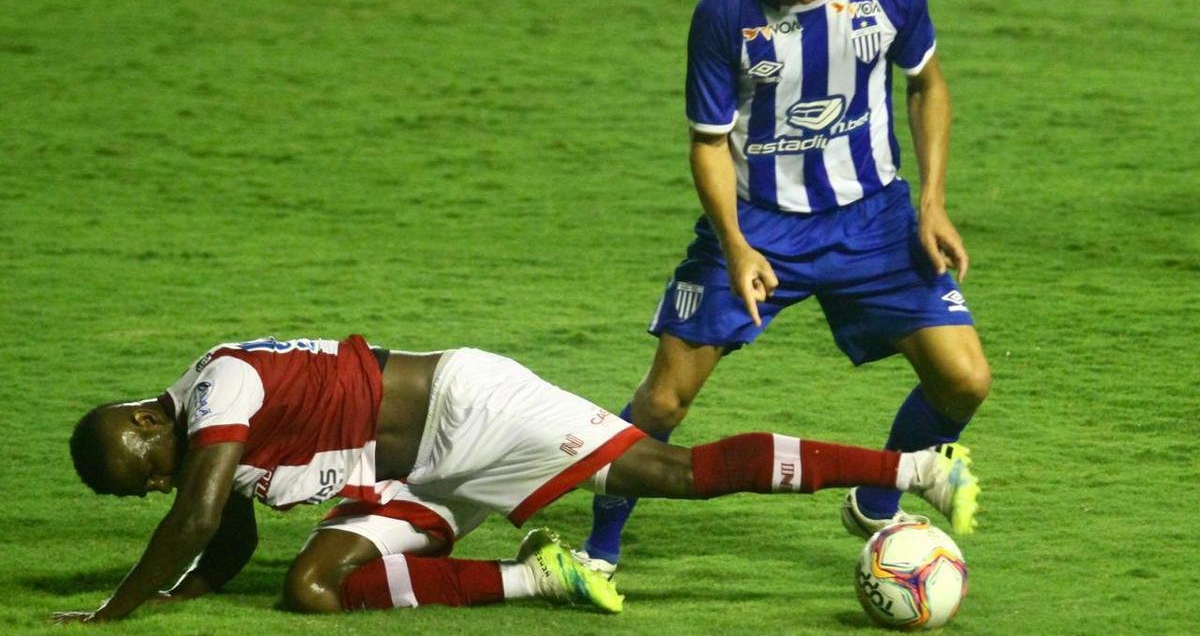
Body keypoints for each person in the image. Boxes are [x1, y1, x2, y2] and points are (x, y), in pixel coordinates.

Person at [580, 0, 991, 574]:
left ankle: (876, 497)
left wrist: (931, 203)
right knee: (667, 398)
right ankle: (598, 543)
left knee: (965, 379)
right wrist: (735, 245)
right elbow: (707, 144)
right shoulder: (724, 13)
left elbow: (925, 82)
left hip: (873, 217)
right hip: (760, 223)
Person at [54, 334, 980, 622]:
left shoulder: (216, 388)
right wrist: (197, 588)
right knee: (311, 586)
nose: (160, 486)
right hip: (416, 475)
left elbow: (200, 512)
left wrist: (115, 610)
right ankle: (540, 573)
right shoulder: (203, 428)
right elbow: (230, 532)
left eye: (150, 469)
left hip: (472, 409)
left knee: (676, 471)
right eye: (144, 486)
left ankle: (915, 467)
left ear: (146, 420)